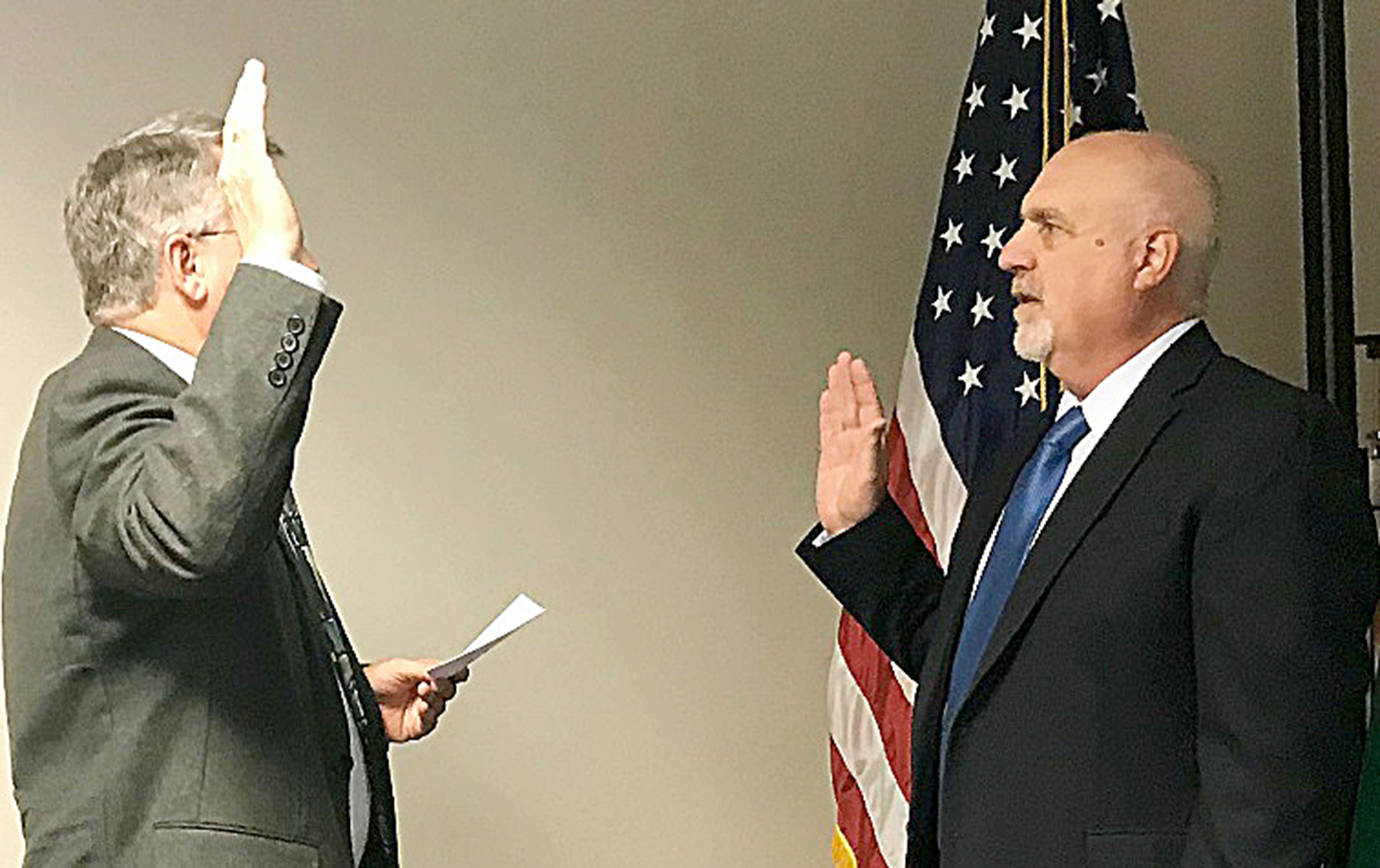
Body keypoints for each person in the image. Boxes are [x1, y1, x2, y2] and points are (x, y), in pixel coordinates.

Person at [798, 130, 1379, 867]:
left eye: (1049, 227)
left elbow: (1276, 784)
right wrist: (860, 527)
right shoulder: (1029, 454)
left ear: (1151, 258)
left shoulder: (1265, 447)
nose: (1011, 252)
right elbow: (991, 670)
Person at [2, 60, 463, 867]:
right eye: (267, 239)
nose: (307, 268)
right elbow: (193, 535)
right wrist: (275, 268)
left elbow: (176, 671)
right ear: (186, 264)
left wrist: (347, 700)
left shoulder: (190, 427)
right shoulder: (92, 401)